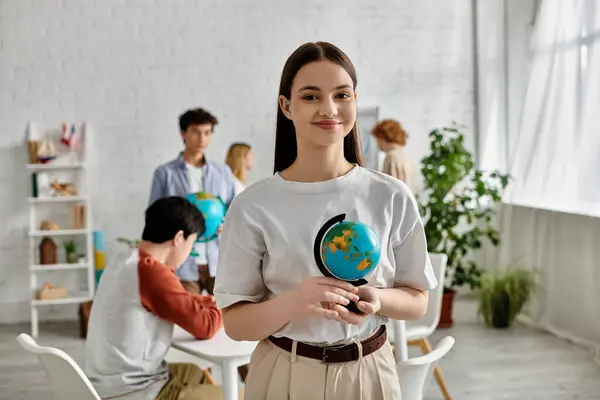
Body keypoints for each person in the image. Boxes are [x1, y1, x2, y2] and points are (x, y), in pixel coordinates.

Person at [214, 41, 438, 399]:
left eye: (341, 95)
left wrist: (378, 299)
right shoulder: (253, 206)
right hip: (283, 374)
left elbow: (417, 300)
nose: (329, 109)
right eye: (310, 96)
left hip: (370, 371)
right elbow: (236, 324)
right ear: (286, 106)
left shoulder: (390, 195)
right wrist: (296, 301)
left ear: (354, 100)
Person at [85, 196, 224, 400]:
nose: (189, 253)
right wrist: (227, 300)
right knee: (236, 395)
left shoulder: (124, 261)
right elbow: (206, 326)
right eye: (191, 244)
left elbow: (178, 298)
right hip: (134, 392)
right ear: (178, 238)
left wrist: (208, 301)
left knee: (194, 372)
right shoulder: (152, 272)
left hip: (106, 384)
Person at [149, 107, 237, 296]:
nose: (202, 138)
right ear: (183, 134)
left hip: (218, 260)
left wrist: (226, 224)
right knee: (187, 322)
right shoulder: (165, 174)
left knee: (226, 319)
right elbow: (154, 215)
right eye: (196, 132)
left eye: (207, 133)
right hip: (182, 261)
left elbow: (235, 209)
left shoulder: (223, 173)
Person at [371, 119, 419, 194]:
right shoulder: (403, 155)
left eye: (377, 139)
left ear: (382, 137)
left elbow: (394, 189)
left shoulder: (392, 157)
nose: (377, 143)